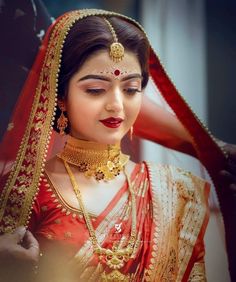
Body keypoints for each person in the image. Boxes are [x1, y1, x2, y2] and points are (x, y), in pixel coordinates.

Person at [0, 8, 231, 281]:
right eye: (96, 90)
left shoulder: (178, 192)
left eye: (131, 89)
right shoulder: (24, 191)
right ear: (60, 96)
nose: (117, 105)